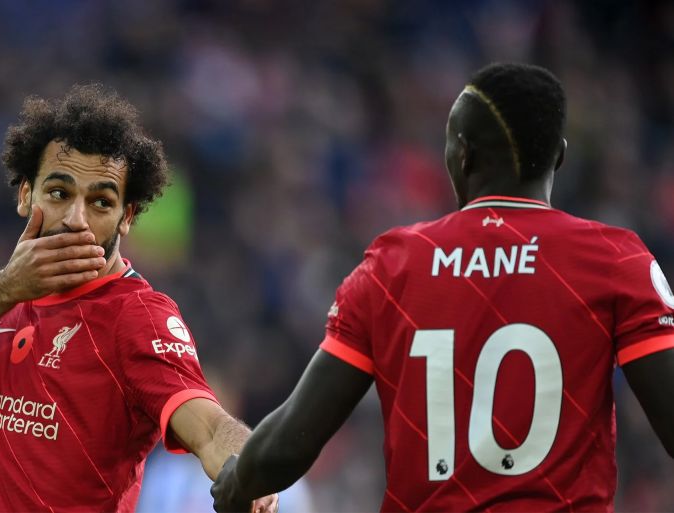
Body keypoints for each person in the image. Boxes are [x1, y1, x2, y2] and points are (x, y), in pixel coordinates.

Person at [211, 62, 674, 512]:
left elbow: (290, 442)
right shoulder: (614, 259)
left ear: (463, 153)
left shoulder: (393, 268)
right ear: (559, 156)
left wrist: (239, 482)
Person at [0, 84, 277, 513]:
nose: (76, 219)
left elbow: (211, 426)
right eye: (59, 194)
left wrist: (247, 472)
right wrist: (4, 288)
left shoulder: (136, 316)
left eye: (100, 201)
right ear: (26, 194)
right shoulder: (6, 299)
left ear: (127, 216)